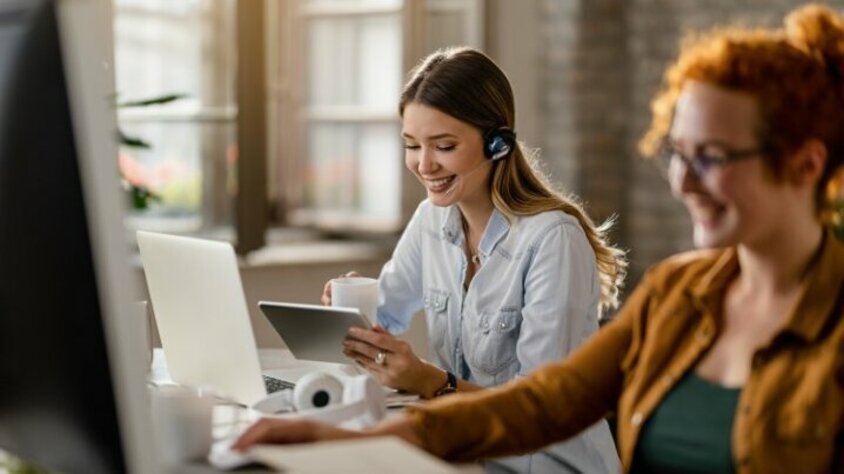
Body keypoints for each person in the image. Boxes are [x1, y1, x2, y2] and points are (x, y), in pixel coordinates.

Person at [235, 4, 844, 473]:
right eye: (677, 153)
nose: (683, 182)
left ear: (805, 165)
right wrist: (342, 438)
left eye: (711, 156)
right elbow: (542, 404)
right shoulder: (678, 293)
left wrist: (424, 387)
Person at [323, 46, 626, 473]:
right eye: (412, 145)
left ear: (496, 143)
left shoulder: (552, 240)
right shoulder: (433, 219)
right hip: (468, 460)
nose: (424, 164)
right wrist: (353, 309)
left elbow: (538, 412)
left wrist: (431, 382)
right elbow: (386, 315)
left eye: (443, 146)